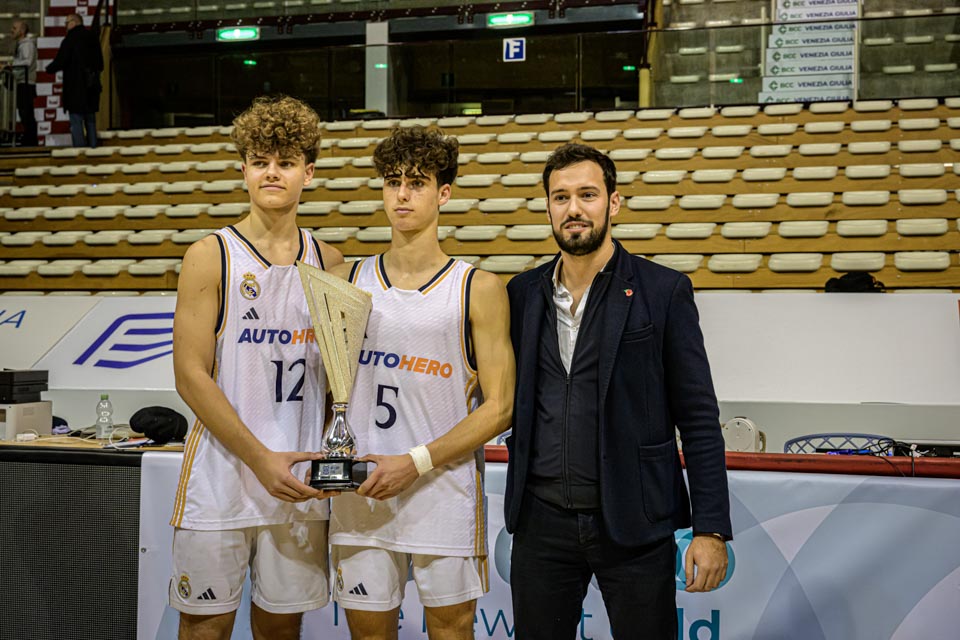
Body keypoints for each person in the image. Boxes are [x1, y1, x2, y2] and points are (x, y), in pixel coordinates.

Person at [504, 143, 732, 639]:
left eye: (587, 194)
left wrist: (711, 528)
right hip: (542, 523)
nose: (574, 208)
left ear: (614, 203)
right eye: (560, 197)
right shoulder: (521, 294)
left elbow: (698, 418)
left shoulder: (663, 290)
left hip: (635, 521)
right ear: (548, 206)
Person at [326, 126, 515, 640]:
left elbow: (500, 407)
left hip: (442, 491)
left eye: (417, 182)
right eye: (393, 182)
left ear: (444, 193)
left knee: (452, 632)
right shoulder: (346, 282)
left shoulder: (477, 287)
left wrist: (417, 462)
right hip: (363, 490)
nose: (402, 195)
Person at [170, 95, 343, 640]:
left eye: (286, 162)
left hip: (297, 475)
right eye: (260, 161)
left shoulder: (331, 262)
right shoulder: (210, 255)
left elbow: (340, 378)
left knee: (281, 628)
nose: (272, 173)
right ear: (242, 169)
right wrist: (259, 458)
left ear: (308, 173)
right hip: (221, 475)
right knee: (205, 626)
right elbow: (190, 375)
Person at [44, 13, 103, 147]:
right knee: (91, 121)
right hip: (92, 87)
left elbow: (61, 60)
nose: (65, 26)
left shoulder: (70, 39)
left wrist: (48, 69)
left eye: (67, 22)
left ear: (74, 22)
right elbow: (100, 64)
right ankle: (94, 150)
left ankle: (80, 152)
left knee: (76, 121)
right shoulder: (93, 37)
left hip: (75, 88)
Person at [1, 19, 38, 146]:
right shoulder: (21, 45)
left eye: (14, 28)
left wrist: (9, 66)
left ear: (22, 31)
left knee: (26, 114)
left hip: (26, 84)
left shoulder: (27, 45)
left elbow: (27, 62)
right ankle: (30, 141)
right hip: (22, 83)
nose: (11, 30)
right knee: (24, 114)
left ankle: (31, 142)